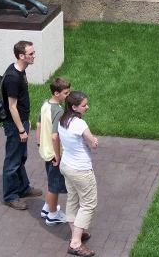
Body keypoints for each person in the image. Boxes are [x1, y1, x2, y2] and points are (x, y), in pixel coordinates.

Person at [2, 40, 42, 210]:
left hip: (22, 122)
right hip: (14, 126)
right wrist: (20, 129)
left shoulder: (21, 71)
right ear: (21, 56)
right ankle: (10, 196)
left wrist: (26, 121)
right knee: (12, 160)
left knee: (21, 157)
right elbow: (12, 107)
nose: (34, 56)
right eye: (31, 53)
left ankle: (23, 188)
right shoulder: (12, 78)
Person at [58, 91, 98, 257]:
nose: (87, 107)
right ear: (74, 107)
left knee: (73, 199)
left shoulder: (62, 121)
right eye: (84, 105)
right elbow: (93, 144)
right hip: (81, 170)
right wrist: (94, 141)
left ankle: (76, 231)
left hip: (66, 166)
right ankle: (75, 243)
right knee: (88, 203)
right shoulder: (80, 125)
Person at [36, 77, 71, 226]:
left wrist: (39, 143)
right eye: (65, 93)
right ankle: (52, 215)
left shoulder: (45, 104)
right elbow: (55, 136)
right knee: (54, 186)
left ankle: (46, 207)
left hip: (45, 150)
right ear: (57, 93)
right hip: (53, 154)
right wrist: (58, 155)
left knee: (50, 181)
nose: (68, 96)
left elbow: (38, 124)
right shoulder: (58, 111)